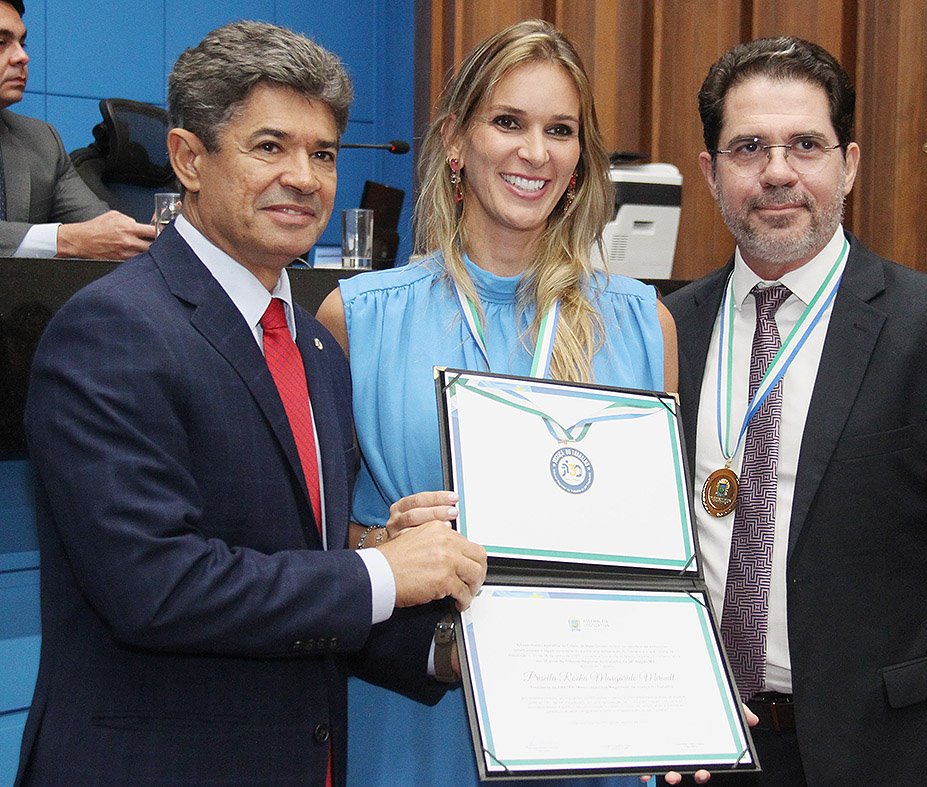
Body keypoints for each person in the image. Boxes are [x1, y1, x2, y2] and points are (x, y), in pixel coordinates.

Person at [16, 20, 485, 785]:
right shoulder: (110, 329)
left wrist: (457, 650)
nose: (303, 177)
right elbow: (157, 587)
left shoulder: (316, 347)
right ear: (188, 159)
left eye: (323, 153)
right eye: (270, 146)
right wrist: (382, 573)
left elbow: (304, 579)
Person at [665, 37, 927, 785]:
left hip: (884, 757)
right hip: (700, 750)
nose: (777, 171)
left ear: (848, 164)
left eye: (804, 145)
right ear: (711, 173)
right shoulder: (667, 330)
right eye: (749, 148)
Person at [317, 19, 676, 786]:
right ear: (455, 140)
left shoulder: (645, 324)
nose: (534, 152)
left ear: (580, 159)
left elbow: (663, 555)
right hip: (419, 714)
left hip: (591, 716)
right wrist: (385, 540)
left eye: (559, 130)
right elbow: (308, 544)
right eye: (508, 121)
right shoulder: (359, 316)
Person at [0, 0, 154, 259]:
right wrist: (62, 240)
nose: (22, 57)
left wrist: (146, 236)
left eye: (22, 44)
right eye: (1, 42)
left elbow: (99, 229)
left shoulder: (41, 141)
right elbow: (77, 238)